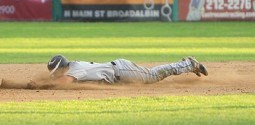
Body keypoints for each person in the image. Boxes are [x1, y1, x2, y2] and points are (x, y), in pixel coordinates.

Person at [45, 54, 208, 85]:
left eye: (56, 72)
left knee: (153, 75)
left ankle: (188, 64)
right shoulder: (73, 66)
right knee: (152, 76)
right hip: (118, 73)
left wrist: (42, 85)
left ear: (61, 68)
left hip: (122, 71)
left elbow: (66, 82)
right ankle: (186, 64)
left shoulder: (75, 69)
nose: (56, 76)